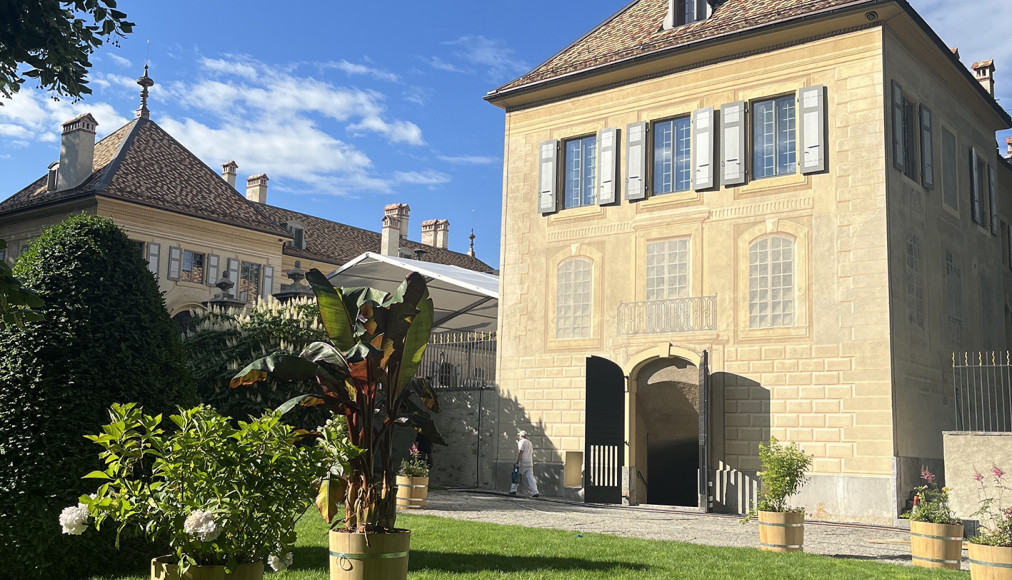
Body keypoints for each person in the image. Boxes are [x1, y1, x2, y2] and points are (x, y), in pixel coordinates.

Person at [510, 430, 539, 497]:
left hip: (523, 462)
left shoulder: (521, 442)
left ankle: (513, 490)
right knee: (531, 477)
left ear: (521, 436)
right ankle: (535, 492)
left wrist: (517, 461)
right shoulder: (529, 443)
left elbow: (520, 453)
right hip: (529, 462)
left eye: (519, 435)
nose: (519, 437)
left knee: (516, 475)